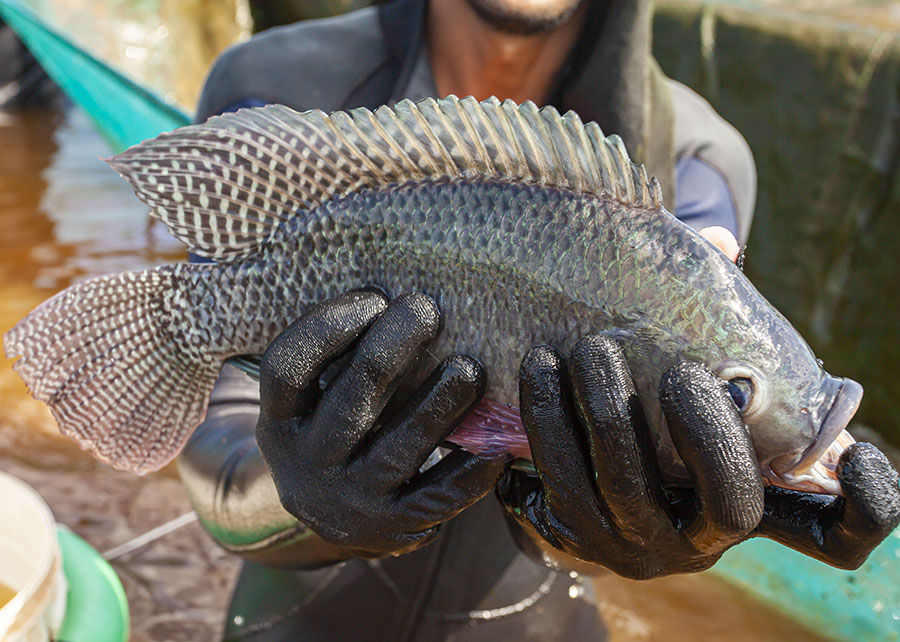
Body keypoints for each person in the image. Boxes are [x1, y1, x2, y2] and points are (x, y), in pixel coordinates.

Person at [177, 0, 900, 639]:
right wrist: (297, 493)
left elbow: (672, 421)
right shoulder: (276, 83)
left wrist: (652, 529)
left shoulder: (700, 160)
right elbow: (197, 418)